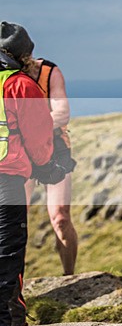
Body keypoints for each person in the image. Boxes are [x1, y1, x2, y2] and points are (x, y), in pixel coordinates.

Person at [0, 21, 66, 326]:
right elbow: (39, 140)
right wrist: (47, 167)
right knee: (7, 253)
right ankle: (9, 324)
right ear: (22, 55)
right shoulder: (19, 84)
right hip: (7, 181)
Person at [24, 58, 79, 275]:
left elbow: (62, 113)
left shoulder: (47, 71)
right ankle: (14, 283)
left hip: (55, 147)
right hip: (19, 151)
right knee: (15, 218)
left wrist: (26, 126)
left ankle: (69, 277)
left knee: (61, 217)